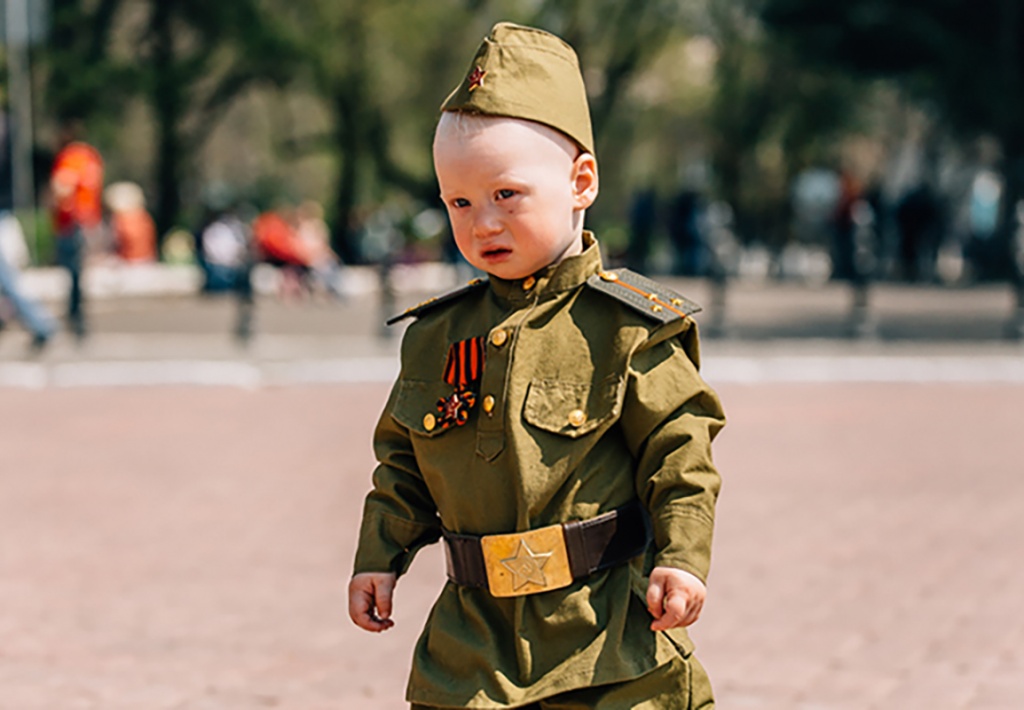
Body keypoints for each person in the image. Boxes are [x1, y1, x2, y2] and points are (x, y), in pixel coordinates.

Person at [349, 23, 725, 709]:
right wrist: (380, 556)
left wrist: (680, 557)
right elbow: (402, 465)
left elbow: (681, 456)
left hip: (607, 641)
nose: (482, 223)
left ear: (581, 181)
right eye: (459, 203)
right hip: (472, 650)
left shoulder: (626, 327)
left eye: (507, 195)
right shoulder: (437, 336)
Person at [49, 123, 103, 338]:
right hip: (90, 218)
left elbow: (63, 188)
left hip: (71, 221)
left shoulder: (68, 158)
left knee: (72, 270)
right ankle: (78, 314)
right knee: (79, 271)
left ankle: (75, 315)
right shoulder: (91, 156)